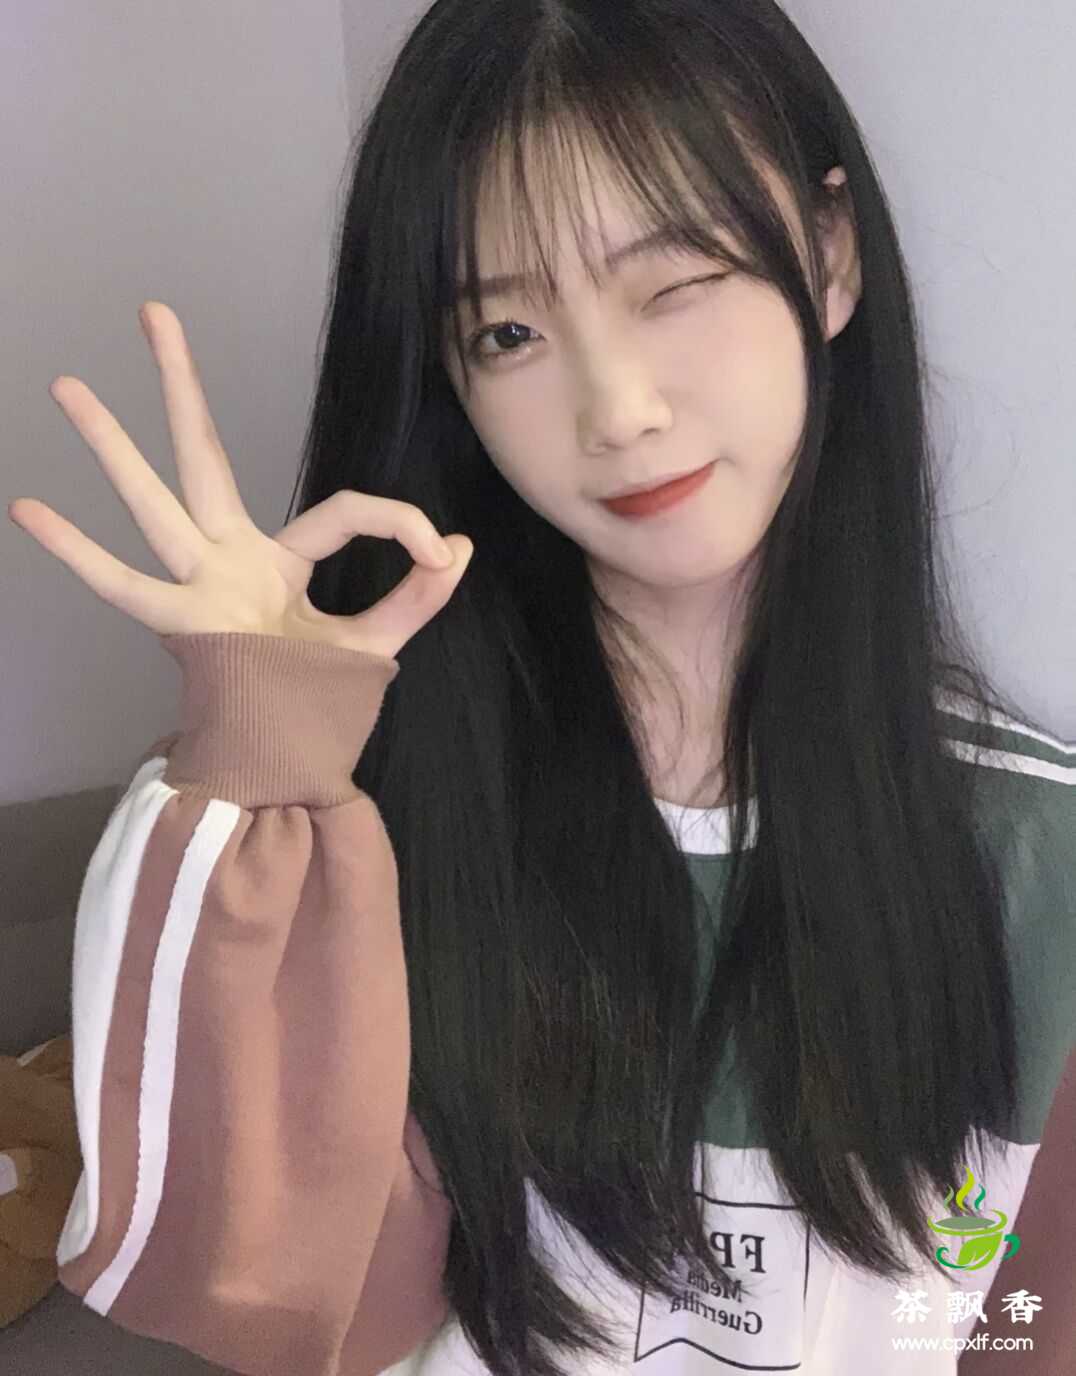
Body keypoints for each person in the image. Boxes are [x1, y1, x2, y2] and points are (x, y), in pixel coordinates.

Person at [7, 1, 1074, 1373]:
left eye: (676, 278)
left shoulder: (1036, 855)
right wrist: (259, 760)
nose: (616, 408)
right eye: (508, 333)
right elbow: (281, 1307)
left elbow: (1021, 1326)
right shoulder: (357, 812)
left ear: (828, 256)